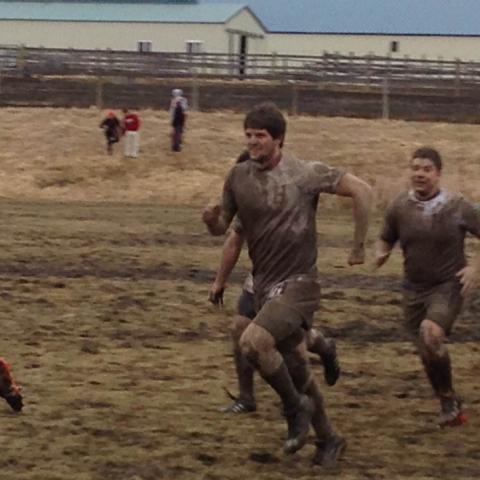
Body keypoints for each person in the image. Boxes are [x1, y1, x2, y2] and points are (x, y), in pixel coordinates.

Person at [203, 102, 372, 466]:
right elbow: (226, 230)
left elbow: (363, 191)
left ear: (278, 139)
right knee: (294, 364)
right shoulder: (238, 177)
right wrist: (210, 220)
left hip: (299, 283)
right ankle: (328, 438)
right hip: (263, 283)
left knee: (253, 341)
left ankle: (294, 410)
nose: (252, 142)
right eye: (248, 135)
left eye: (259, 136)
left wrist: (358, 245)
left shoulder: (305, 174)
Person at [209, 152, 340, 415]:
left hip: (291, 279)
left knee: (290, 342)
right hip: (261, 277)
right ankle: (247, 397)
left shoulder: (285, 192)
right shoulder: (247, 199)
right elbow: (234, 240)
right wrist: (218, 282)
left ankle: (320, 354)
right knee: (240, 328)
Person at [374, 146, 480, 428]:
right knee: (426, 350)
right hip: (413, 289)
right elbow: (386, 237)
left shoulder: (457, 206)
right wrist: (380, 252)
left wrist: (475, 268)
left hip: (448, 285)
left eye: (426, 169)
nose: (419, 174)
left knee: (431, 334)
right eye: (415, 168)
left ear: (438, 174)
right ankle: (448, 401)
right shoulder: (399, 206)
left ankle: (447, 400)